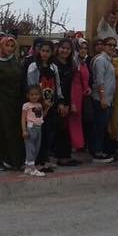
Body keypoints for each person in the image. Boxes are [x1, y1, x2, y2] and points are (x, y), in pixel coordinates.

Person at [26, 41, 69, 172]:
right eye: (43, 50)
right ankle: (36, 162)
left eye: (48, 51)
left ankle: (44, 159)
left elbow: (57, 85)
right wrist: (39, 101)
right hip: (37, 106)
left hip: (51, 105)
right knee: (37, 134)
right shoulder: (33, 66)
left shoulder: (53, 67)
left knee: (48, 133)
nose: (45, 53)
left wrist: (60, 101)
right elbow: (31, 86)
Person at [0, 35, 24, 171]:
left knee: (13, 132)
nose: (9, 48)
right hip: (0, 103)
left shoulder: (14, 60)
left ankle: (11, 159)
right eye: (7, 45)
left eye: (12, 46)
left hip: (14, 102)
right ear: (1, 46)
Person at [59, 39, 89, 164]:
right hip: (72, 95)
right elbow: (70, 83)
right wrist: (72, 102)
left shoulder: (82, 62)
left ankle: (74, 150)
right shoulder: (73, 63)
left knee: (76, 122)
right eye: (80, 48)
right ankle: (68, 152)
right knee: (71, 123)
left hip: (81, 95)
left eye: (85, 48)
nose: (83, 50)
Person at [90, 37, 117, 163]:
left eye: (114, 45)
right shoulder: (101, 60)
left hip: (109, 99)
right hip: (101, 99)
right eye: (110, 45)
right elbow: (99, 81)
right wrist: (102, 98)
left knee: (103, 127)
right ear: (104, 46)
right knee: (99, 127)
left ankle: (100, 150)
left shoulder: (109, 60)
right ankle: (97, 153)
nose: (112, 47)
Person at [21, 85, 47, 177]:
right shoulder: (26, 106)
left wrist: (46, 108)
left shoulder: (39, 105)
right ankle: (32, 168)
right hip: (30, 128)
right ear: (28, 95)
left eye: (36, 94)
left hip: (38, 128)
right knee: (30, 148)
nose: (34, 96)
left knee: (36, 148)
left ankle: (28, 167)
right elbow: (23, 119)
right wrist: (24, 130)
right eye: (32, 94)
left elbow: (41, 116)